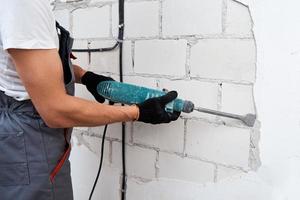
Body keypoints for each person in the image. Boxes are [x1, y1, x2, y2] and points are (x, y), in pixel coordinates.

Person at [0, 0, 180, 199]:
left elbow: (35, 68)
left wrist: (86, 77)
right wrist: (137, 112)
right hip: (30, 139)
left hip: (24, 133)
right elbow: (55, 110)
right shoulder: (24, 5)